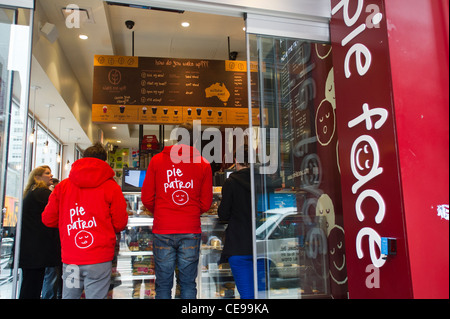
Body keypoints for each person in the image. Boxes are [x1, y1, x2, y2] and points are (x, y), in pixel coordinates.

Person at [42, 142, 128, 299]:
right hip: (99, 260)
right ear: (104, 161)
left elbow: (48, 219)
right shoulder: (111, 187)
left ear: (83, 159)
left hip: (71, 259)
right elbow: (120, 223)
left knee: (69, 296)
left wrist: (67, 222)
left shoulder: (62, 187)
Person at [141, 122, 213, 299]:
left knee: (163, 284)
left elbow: (147, 198)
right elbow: (205, 203)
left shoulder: (157, 160)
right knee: (188, 284)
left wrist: (160, 211)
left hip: (162, 229)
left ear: (175, 137)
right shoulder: (203, 164)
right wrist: (191, 211)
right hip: (190, 230)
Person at [218, 146, 265, 299]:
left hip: (239, 246)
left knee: (247, 296)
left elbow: (223, 214)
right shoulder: (264, 180)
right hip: (263, 246)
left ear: (236, 161)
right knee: (262, 294)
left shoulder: (231, 182)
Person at [19, 165, 61, 299]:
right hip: (36, 251)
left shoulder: (32, 193)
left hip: (30, 250)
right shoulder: (42, 194)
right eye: (47, 173)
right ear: (37, 177)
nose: (51, 175)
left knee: (30, 285)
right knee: (32, 286)